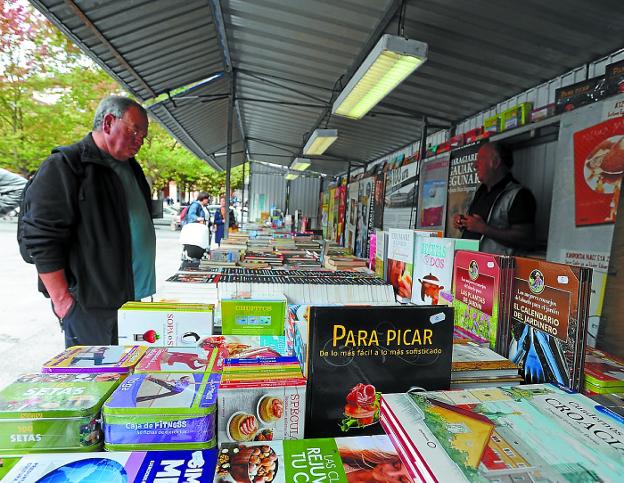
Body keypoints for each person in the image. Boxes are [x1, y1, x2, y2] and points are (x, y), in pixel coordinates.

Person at [22, 95, 155, 347]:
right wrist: (62, 300)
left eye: (143, 136)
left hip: (133, 298)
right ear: (107, 123)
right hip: (91, 306)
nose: (140, 141)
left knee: (129, 378)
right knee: (98, 380)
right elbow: (41, 238)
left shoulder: (131, 168)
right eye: (135, 131)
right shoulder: (66, 166)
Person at [453, 142, 536, 255]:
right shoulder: (480, 192)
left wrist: (484, 229)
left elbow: (526, 240)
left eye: (480, 160)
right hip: (471, 264)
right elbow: (474, 227)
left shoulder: (520, 195)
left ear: (496, 162)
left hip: (496, 269)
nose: (474, 165)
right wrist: (463, 222)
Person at [181, 192, 211, 260]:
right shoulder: (195, 205)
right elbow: (191, 215)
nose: (208, 201)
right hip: (196, 231)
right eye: (207, 199)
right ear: (203, 199)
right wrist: (198, 218)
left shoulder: (203, 206)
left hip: (201, 230)